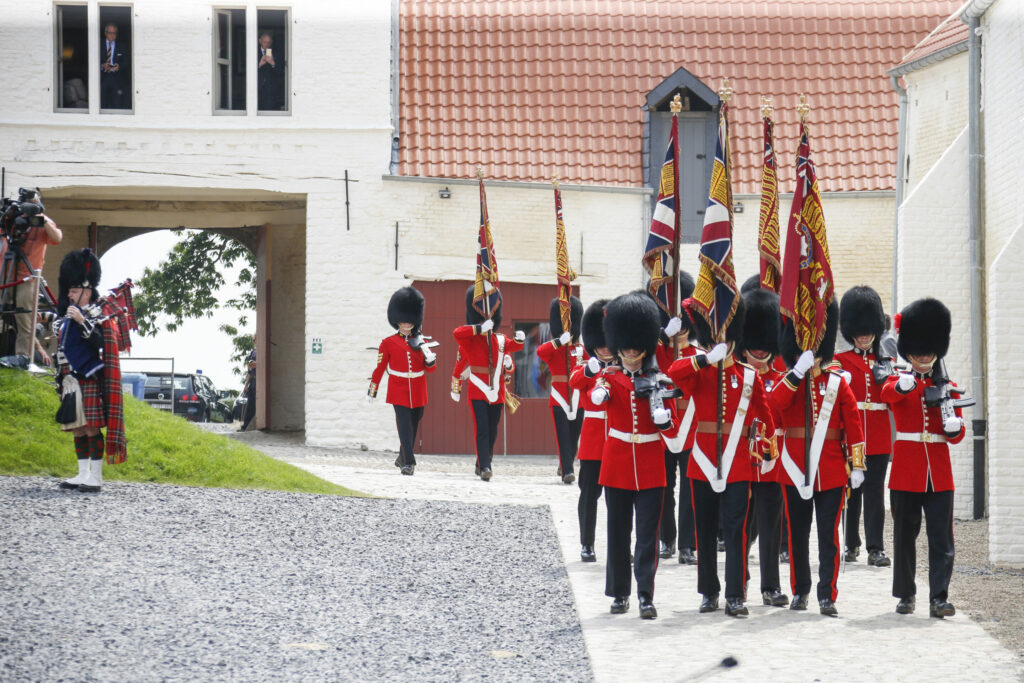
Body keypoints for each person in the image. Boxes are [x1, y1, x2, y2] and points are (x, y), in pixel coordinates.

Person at [667, 296, 775, 617]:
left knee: (735, 530)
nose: (722, 345)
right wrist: (704, 359)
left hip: (738, 461)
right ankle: (708, 591)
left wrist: (768, 451)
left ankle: (735, 594)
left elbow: (765, 417)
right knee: (704, 528)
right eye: (715, 340)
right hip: (702, 459)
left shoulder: (748, 375)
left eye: (725, 340)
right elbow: (674, 372)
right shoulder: (700, 370)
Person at [770, 301, 866, 616]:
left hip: (831, 469)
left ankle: (827, 594)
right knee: (797, 536)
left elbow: (853, 424)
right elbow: (775, 404)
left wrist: (857, 464)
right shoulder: (790, 380)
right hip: (795, 467)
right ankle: (800, 591)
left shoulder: (836, 382)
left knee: (829, 535)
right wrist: (797, 372)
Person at [591, 292, 676, 620]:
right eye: (624, 347)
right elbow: (599, 392)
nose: (629, 352)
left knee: (647, 536)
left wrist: (665, 421)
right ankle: (619, 593)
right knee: (618, 532)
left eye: (634, 346)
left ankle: (645, 594)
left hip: (651, 464)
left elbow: (673, 428)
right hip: (618, 465)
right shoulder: (609, 378)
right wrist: (600, 393)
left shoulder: (660, 380)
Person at [882, 298, 965, 618]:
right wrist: (903, 385)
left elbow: (956, 433)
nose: (923, 357)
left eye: (928, 351)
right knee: (905, 536)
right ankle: (906, 594)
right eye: (918, 352)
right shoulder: (899, 382)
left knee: (941, 539)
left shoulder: (948, 387)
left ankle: (939, 597)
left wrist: (956, 428)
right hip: (906, 471)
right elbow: (886, 394)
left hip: (939, 474)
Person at [54, 249, 127, 493]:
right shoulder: (65, 316)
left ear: (87, 290)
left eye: (74, 290)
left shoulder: (96, 314)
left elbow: (100, 343)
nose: (69, 294)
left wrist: (81, 321)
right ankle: (82, 473)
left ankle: (96, 476)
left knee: (91, 427)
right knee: (77, 427)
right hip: (69, 380)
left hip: (88, 378)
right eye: (69, 290)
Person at [736, 285, 789, 608]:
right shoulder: (735, 376)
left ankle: (771, 586)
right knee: (742, 526)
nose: (758, 351)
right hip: (741, 459)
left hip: (771, 462)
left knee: (771, 527)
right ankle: (739, 580)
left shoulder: (782, 376)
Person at [836, 285, 894, 567]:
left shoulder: (885, 362)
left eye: (868, 330)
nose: (864, 335)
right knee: (851, 491)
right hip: (852, 435)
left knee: (875, 493)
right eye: (859, 331)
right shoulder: (840, 361)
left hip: (879, 435)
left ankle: (875, 547)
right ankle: (851, 544)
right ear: (851, 332)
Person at [452, 286, 524, 481]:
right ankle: (485, 466)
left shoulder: (500, 340)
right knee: (482, 428)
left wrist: (520, 340)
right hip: (477, 389)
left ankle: (482, 461)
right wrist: (478, 328)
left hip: (497, 391)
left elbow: (513, 350)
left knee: (492, 431)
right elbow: (457, 333)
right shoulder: (470, 339)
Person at [652, 272, 698, 566]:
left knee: (691, 490)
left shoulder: (698, 354)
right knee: (663, 488)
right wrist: (662, 334)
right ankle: (666, 538)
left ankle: (688, 545)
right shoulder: (656, 351)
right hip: (663, 428)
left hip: (691, 428)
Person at [367, 287, 437, 475]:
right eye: (403, 321)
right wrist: (373, 389)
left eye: (410, 321)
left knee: (413, 427)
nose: (407, 324)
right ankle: (409, 463)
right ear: (396, 320)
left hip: (418, 389)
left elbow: (430, 369)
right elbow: (380, 368)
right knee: (404, 426)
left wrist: (430, 360)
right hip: (398, 390)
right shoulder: (388, 343)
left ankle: (401, 457)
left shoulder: (421, 341)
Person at [569, 298, 611, 562]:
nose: (605, 348)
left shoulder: (624, 367)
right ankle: (587, 543)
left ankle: (620, 546)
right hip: (594, 443)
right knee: (589, 496)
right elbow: (574, 381)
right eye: (601, 343)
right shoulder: (587, 365)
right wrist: (589, 369)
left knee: (619, 500)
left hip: (618, 441)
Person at [0, 203, 62, 358]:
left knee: (25, 318)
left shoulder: (41, 221)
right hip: (5, 274)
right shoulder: (12, 217)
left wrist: (41, 218)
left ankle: (24, 358)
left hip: (27, 277)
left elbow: (57, 237)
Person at [536, 296, 585, 484]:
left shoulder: (580, 350)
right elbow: (541, 352)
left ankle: (566, 463)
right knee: (563, 437)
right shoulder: (554, 348)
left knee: (573, 437)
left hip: (578, 397)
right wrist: (558, 341)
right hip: (559, 396)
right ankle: (567, 471)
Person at [100, 23, 130, 109]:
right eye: (110, 33)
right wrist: (102, 65)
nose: (112, 35)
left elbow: (126, 62)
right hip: (102, 78)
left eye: (114, 33)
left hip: (117, 78)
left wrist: (119, 66)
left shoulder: (122, 46)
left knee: (117, 104)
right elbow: (92, 60)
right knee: (102, 103)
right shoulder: (98, 44)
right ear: (105, 33)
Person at [257, 32, 285, 111]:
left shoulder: (276, 53)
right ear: (260, 41)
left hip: (271, 91)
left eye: (269, 42)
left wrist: (272, 63)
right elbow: (247, 70)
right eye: (265, 42)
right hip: (256, 89)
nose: (267, 44)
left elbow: (281, 72)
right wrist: (259, 65)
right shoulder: (253, 52)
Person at [239, 349, 257, 431]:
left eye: (254, 341)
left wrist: (257, 364)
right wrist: (246, 385)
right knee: (250, 406)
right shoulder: (253, 352)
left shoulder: (263, 350)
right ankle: (245, 427)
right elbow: (249, 372)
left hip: (259, 382)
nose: (254, 343)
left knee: (257, 406)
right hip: (252, 382)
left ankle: (254, 427)